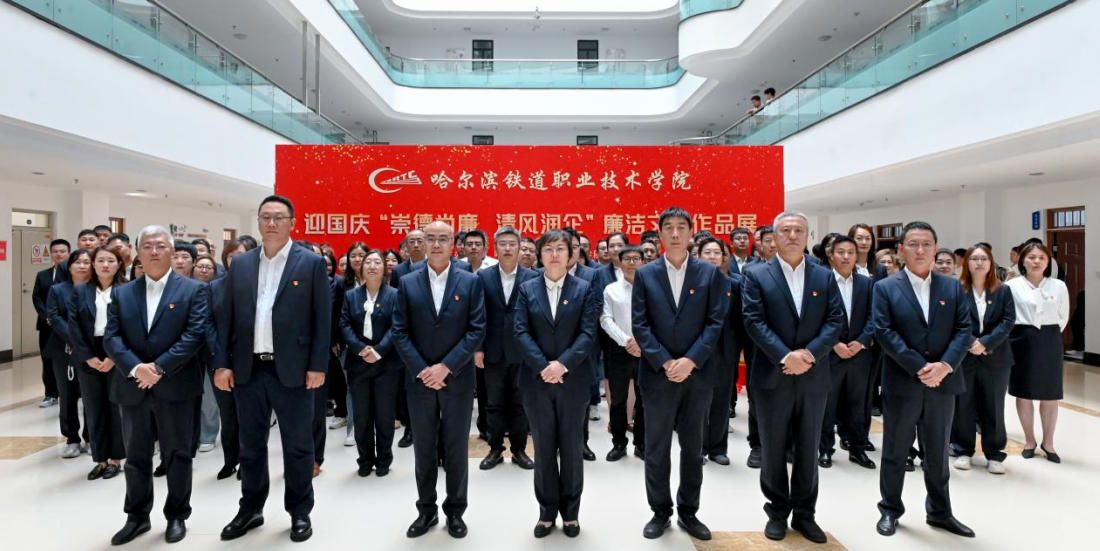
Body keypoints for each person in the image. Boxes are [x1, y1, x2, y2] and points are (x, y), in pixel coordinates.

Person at [215, 195, 331, 543]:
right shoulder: (242, 264)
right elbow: (226, 318)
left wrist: (318, 365)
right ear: (258, 221)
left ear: (292, 222)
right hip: (248, 369)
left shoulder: (310, 263)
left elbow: (322, 319)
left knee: (298, 445)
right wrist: (222, 363)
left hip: (293, 370)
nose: (271, 223)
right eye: (265, 217)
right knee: (250, 445)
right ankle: (251, 509)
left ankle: (299, 511)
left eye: (279, 217)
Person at [741, 212, 844, 544]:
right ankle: (776, 512)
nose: (792, 235)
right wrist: (787, 356)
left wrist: (809, 355)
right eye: (785, 230)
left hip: (813, 375)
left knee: (808, 446)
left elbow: (835, 321)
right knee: (772, 447)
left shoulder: (824, 276)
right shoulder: (756, 275)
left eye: (799, 230)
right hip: (773, 374)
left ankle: (805, 513)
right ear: (774, 236)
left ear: (808, 235)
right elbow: (753, 321)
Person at [103, 225, 209, 545]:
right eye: (147, 245)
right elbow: (111, 337)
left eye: (160, 245)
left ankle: (177, 515)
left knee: (178, 454)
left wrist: (159, 368)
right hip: (133, 386)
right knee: (136, 456)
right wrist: (137, 368)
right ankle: (137, 516)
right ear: (138, 252)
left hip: (176, 386)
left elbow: (194, 336)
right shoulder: (122, 293)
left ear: (172, 251)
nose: (154, 251)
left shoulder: (193, 290)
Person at [873, 221, 974, 539]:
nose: (920, 250)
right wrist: (920, 367)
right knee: (895, 450)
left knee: (938, 452)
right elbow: (884, 331)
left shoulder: (952, 287)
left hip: (943, 383)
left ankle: (940, 512)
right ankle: (890, 509)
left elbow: (964, 330)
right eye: (913, 244)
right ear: (901, 249)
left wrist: (944, 366)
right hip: (903, 382)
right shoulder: (885, 288)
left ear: (935, 249)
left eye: (926, 244)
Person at [632, 207, 727, 541]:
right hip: (657, 376)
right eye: (668, 227)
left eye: (681, 227)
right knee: (656, 447)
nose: (675, 233)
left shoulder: (709, 274)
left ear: (691, 232)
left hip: (696, 376)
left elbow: (715, 322)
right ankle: (660, 511)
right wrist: (664, 361)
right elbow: (640, 324)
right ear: (659, 233)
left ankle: (689, 511)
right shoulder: (645, 274)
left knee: (693, 447)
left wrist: (690, 360)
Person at [392, 220, 485, 539]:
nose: (435, 244)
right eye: (429, 238)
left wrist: (445, 367)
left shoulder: (470, 281)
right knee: (424, 449)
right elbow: (399, 331)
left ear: (452, 244)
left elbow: (476, 329)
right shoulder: (407, 282)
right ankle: (426, 510)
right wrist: (423, 369)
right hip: (419, 380)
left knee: (456, 448)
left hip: (456, 378)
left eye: (442, 238)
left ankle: (455, 511)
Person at [514, 229, 600, 538]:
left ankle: (571, 513)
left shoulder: (584, 289)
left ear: (570, 254)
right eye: (548, 249)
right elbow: (521, 331)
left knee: (572, 448)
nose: (554, 254)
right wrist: (543, 366)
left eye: (560, 249)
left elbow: (588, 333)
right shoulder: (527, 288)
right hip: (536, 381)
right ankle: (546, 512)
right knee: (544, 447)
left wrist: (561, 364)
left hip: (573, 380)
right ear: (540, 255)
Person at [474, 227, 536, 471]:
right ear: (495, 248)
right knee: (493, 403)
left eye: (512, 243)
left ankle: (519, 450)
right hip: (492, 351)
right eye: (503, 244)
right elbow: (477, 315)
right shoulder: (483, 277)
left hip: (523, 352)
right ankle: (495, 449)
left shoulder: (532, 277)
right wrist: (478, 348)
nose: (508, 248)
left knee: (520, 404)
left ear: (519, 247)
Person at [951, 244, 1015, 474]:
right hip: (964, 357)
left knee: (994, 406)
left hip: (995, 357)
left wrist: (985, 343)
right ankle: (963, 450)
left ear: (991, 263)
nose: (979, 263)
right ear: (966, 263)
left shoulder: (1003, 290)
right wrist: (971, 343)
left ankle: (994, 454)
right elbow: (953, 320)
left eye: (984, 259)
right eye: (974, 259)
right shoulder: (957, 290)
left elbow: (1008, 320)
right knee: (964, 404)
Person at [1006, 242, 1070, 463]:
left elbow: (1063, 316)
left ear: (1048, 262)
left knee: (1050, 393)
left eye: (1042, 258)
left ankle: (1048, 442)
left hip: (1049, 339)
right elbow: (1008, 315)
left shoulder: (1058, 286)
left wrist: (1047, 333)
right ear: (1022, 260)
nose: (1036, 261)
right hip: (1021, 339)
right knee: (1023, 392)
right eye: (1032, 257)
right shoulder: (1012, 286)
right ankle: (1029, 441)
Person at [340, 249, 401, 477]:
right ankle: (364, 460)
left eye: (377, 262)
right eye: (368, 262)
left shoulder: (394, 295)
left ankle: (384, 459)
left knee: (384, 416)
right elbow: (344, 325)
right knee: (362, 416)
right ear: (361, 268)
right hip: (358, 364)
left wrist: (379, 350)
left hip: (387, 364)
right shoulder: (351, 296)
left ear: (385, 268)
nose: (372, 266)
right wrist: (360, 348)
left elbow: (397, 326)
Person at [817, 235, 877, 470]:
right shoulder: (821, 281)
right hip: (830, 353)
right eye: (840, 252)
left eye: (850, 252)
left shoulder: (866, 284)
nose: (846, 256)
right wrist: (834, 344)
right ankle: (825, 449)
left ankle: (857, 448)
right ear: (831, 255)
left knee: (858, 404)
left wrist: (861, 342)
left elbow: (874, 317)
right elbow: (817, 319)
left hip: (859, 354)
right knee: (827, 404)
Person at [68, 246, 127, 481]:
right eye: (100, 260)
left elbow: (130, 326)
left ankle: (116, 459)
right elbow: (74, 327)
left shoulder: (127, 290)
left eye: (110, 260)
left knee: (115, 408)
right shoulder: (81, 291)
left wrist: (114, 358)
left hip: (117, 353)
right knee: (93, 408)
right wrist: (88, 357)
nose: (105, 265)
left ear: (119, 264)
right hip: (89, 352)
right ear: (93, 264)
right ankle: (100, 459)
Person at [697, 238, 744, 466]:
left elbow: (739, 321)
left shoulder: (733, 284)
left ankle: (718, 448)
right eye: (708, 252)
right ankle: (698, 448)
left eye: (717, 252)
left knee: (721, 400)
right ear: (699, 256)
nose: (713, 256)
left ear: (724, 257)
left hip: (725, 350)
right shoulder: (690, 283)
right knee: (698, 402)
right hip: (697, 351)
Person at [600, 245, 646, 461]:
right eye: (627, 258)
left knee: (644, 400)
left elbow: (657, 319)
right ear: (619, 262)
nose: (631, 262)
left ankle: (641, 444)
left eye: (636, 258)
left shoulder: (651, 288)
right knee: (618, 400)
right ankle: (619, 443)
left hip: (646, 352)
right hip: (619, 350)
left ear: (643, 262)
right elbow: (605, 319)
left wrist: (642, 343)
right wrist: (627, 341)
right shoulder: (611, 290)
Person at [46, 248, 92, 458]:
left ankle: (91, 437)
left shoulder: (95, 288)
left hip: (91, 351)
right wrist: (74, 338)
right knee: (67, 395)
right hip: (63, 350)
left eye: (86, 262)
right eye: (77, 262)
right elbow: (54, 317)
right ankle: (72, 438)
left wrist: (84, 342)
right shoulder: (58, 290)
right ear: (69, 266)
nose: (82, 266)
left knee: (91, 395)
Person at [204, 246, 241, 481]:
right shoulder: (214, 287)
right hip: (219, 359)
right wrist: (220, 356)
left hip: (249, 360)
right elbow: (207, 323)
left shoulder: (258, 286)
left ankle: (249, 461)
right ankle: (230, 460)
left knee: (248, 415)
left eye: (241, 256)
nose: (235, 260)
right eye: (230, 256)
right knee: (227, 414)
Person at [33, 238, 70, 408]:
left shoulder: (74, 275)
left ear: (69, 253)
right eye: (55, 251)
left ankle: (73, 392)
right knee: (47, 360)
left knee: (70, 360)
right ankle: (51, 394)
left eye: (62, 251)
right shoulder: (43, 275)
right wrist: (47, 316)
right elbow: (37, 298)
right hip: (47, 326)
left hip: (68, 326)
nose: (59, 254)